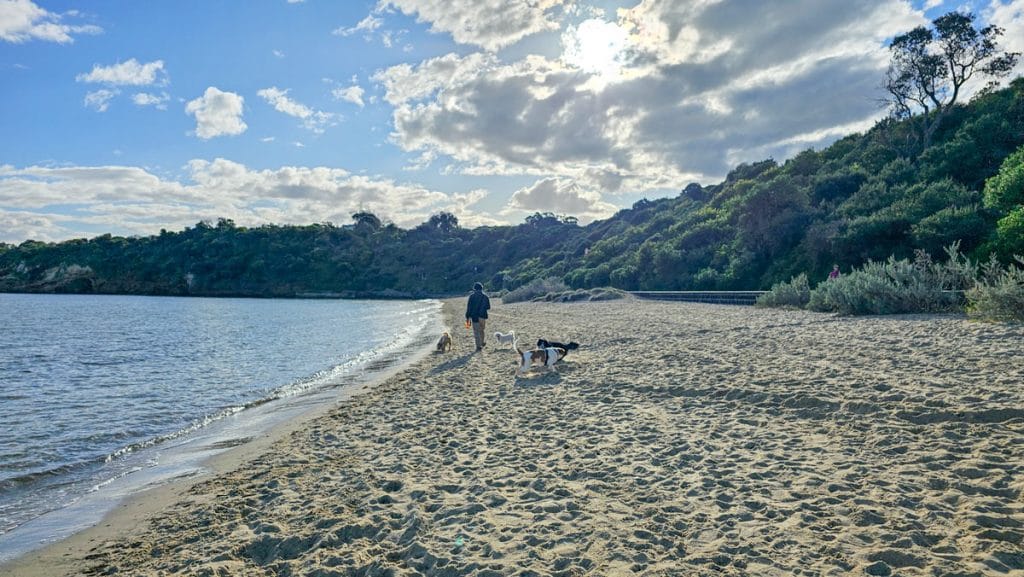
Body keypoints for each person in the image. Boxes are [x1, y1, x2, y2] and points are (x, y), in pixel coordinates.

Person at [465, 282, 491, 351]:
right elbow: (488, 307)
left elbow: (469, 307)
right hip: (482, 316)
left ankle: (478, 346)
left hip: (474, 316)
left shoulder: (472, 296)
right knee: (481, 330)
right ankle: (482, 342)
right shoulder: (485, 296)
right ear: (481, 288)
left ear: (474, 289)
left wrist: (467, 316)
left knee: (476, 332)